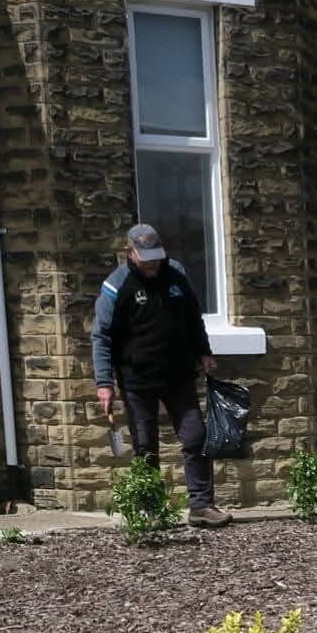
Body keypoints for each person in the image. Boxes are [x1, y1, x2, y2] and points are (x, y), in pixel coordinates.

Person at [91, 223, 227, 527]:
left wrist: (204, 352)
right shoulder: (116, 286)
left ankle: (201, 506)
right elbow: (101, 337)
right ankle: (152, 511)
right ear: (130, 252)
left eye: (156, 256)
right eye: (145, 257)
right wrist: (104, 383)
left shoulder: (176, 273)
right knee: (145, 446)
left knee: (196, 437)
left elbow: (193, 318)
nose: (152, 263)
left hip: (178, 375)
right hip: (137, 379)